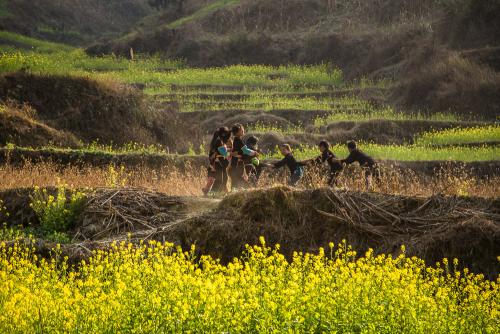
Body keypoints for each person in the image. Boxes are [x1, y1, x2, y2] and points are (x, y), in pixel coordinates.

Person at [202, 127, 231, 195]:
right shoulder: (219, 141)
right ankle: (212, 193)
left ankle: (215, 193)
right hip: (218, 163)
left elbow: (221, 151)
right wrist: (230, 153)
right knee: (219, 180)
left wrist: (228, 150)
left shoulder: (218, 140)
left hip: (218, 163)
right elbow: (223, 152)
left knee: (222, 179)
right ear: (224, 134)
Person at [229, 123, 247, 190]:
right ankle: (237, 192)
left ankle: (234, 192)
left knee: (235, 180)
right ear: (237, 132)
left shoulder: (237, 140)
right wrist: (254, 153)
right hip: (238, 164)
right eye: (241, 130)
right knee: (238, 179)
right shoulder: (238, 140)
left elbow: (238, 151)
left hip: (236, 163)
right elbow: (245, 151)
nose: (243, 130)